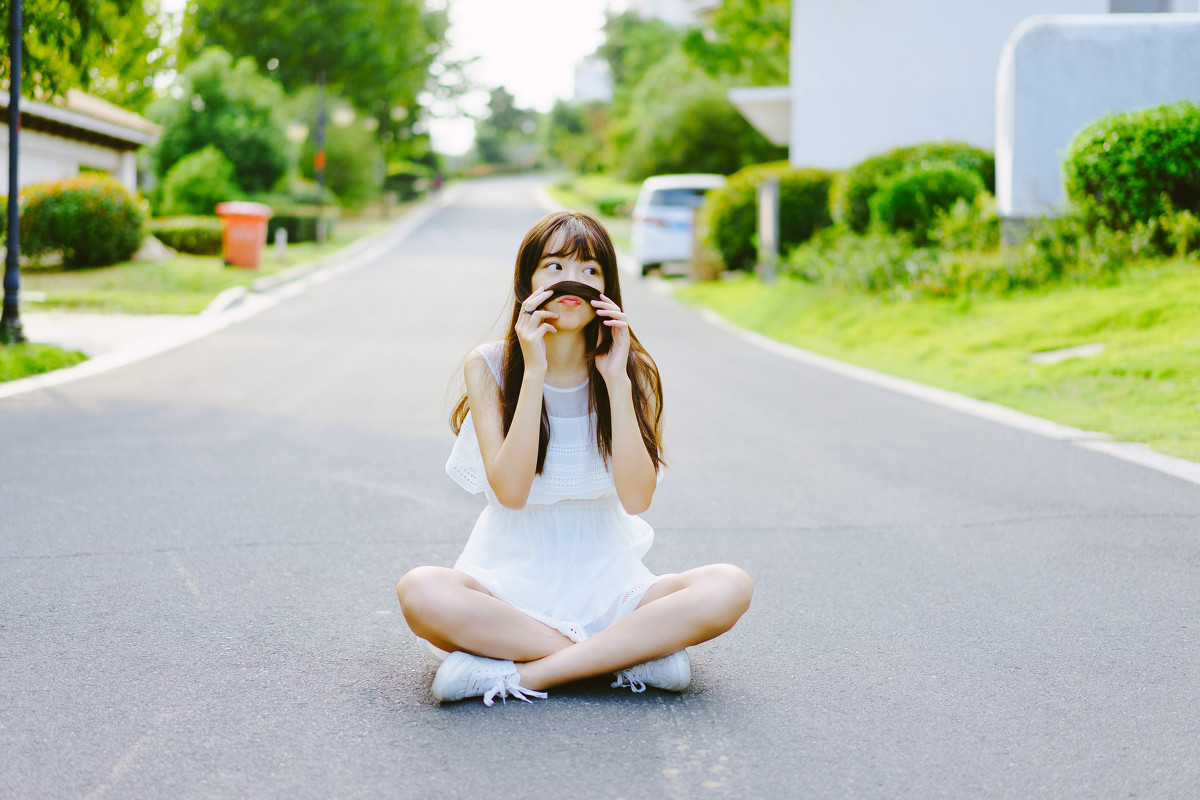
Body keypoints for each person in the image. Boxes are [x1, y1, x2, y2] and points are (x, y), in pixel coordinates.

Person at [396, 210, 753, 706]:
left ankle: (522, 675)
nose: (574, 282)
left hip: (613, 589)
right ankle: (630, 656)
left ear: (607, 291)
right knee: (421, 591)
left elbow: (636, 497)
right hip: (507, 592)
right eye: (556, 266)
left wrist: (615, 379)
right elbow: (512, 493)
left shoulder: (632, 371)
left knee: (729, 585)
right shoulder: (489, 365)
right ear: (528, 282)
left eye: (590, 271)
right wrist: (535, 370)